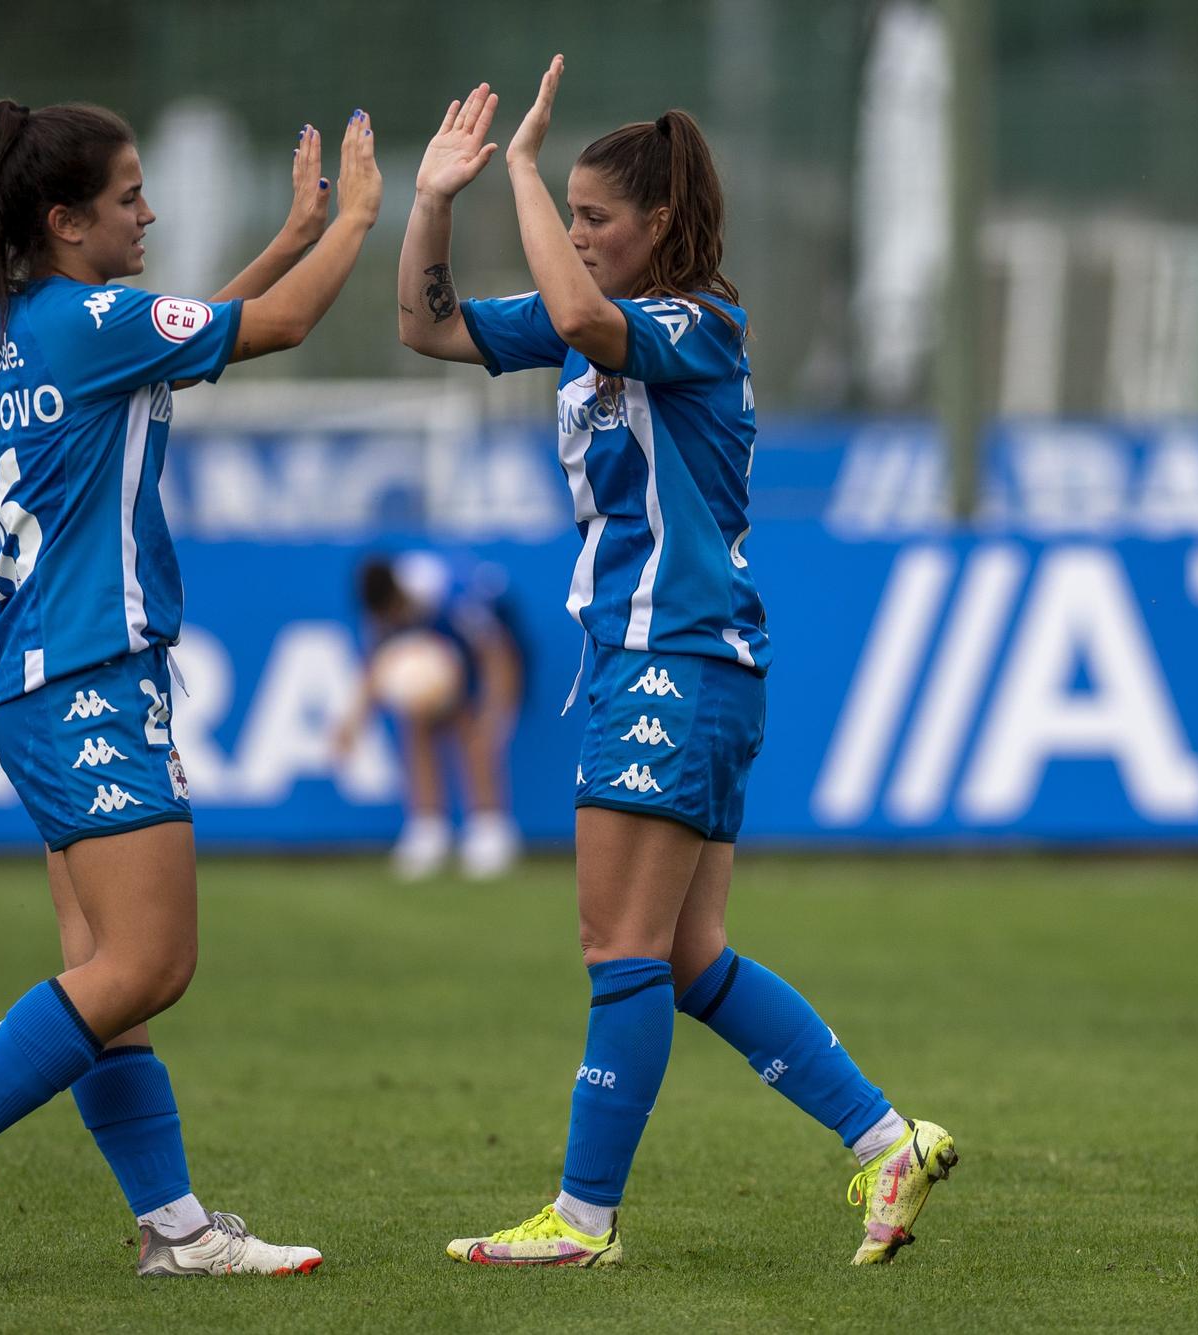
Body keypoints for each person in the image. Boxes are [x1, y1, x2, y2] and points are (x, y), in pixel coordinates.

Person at [396, 58, 956, 1268]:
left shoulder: (692, 323)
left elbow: (592, 321)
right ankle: (883, 1143)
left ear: (658, 224)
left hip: (672, 657)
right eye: (573, 219)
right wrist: (437, 197)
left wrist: (530, 178)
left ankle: (582, 1220)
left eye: (599, 219)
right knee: (687, 956)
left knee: (621, 949)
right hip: (668, 662)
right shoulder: (600, 321)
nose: (580, 236)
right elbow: (424, 325)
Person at [0, 98, 382, 1283]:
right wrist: (357, 215)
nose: (148, 212)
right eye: (129, 196)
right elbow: (283, 328)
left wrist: (293, 234)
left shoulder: (38, 320)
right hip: (84, 676)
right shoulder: (85, 320)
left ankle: (175, 1229)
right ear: (64, 221)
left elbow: (211, 325)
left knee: (111, 984)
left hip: (55, 675)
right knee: (146, 964)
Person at [334, 550, 525, 878]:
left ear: (400, 595)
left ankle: (489, 829)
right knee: (417, 722)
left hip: (484, 654)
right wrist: (352, 723)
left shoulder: (451, 597)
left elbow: (497, 652)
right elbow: (376, 667)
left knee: (474, 731)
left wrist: (496, 713)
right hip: (438, 663)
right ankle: (428, 827)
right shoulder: (381, 618)